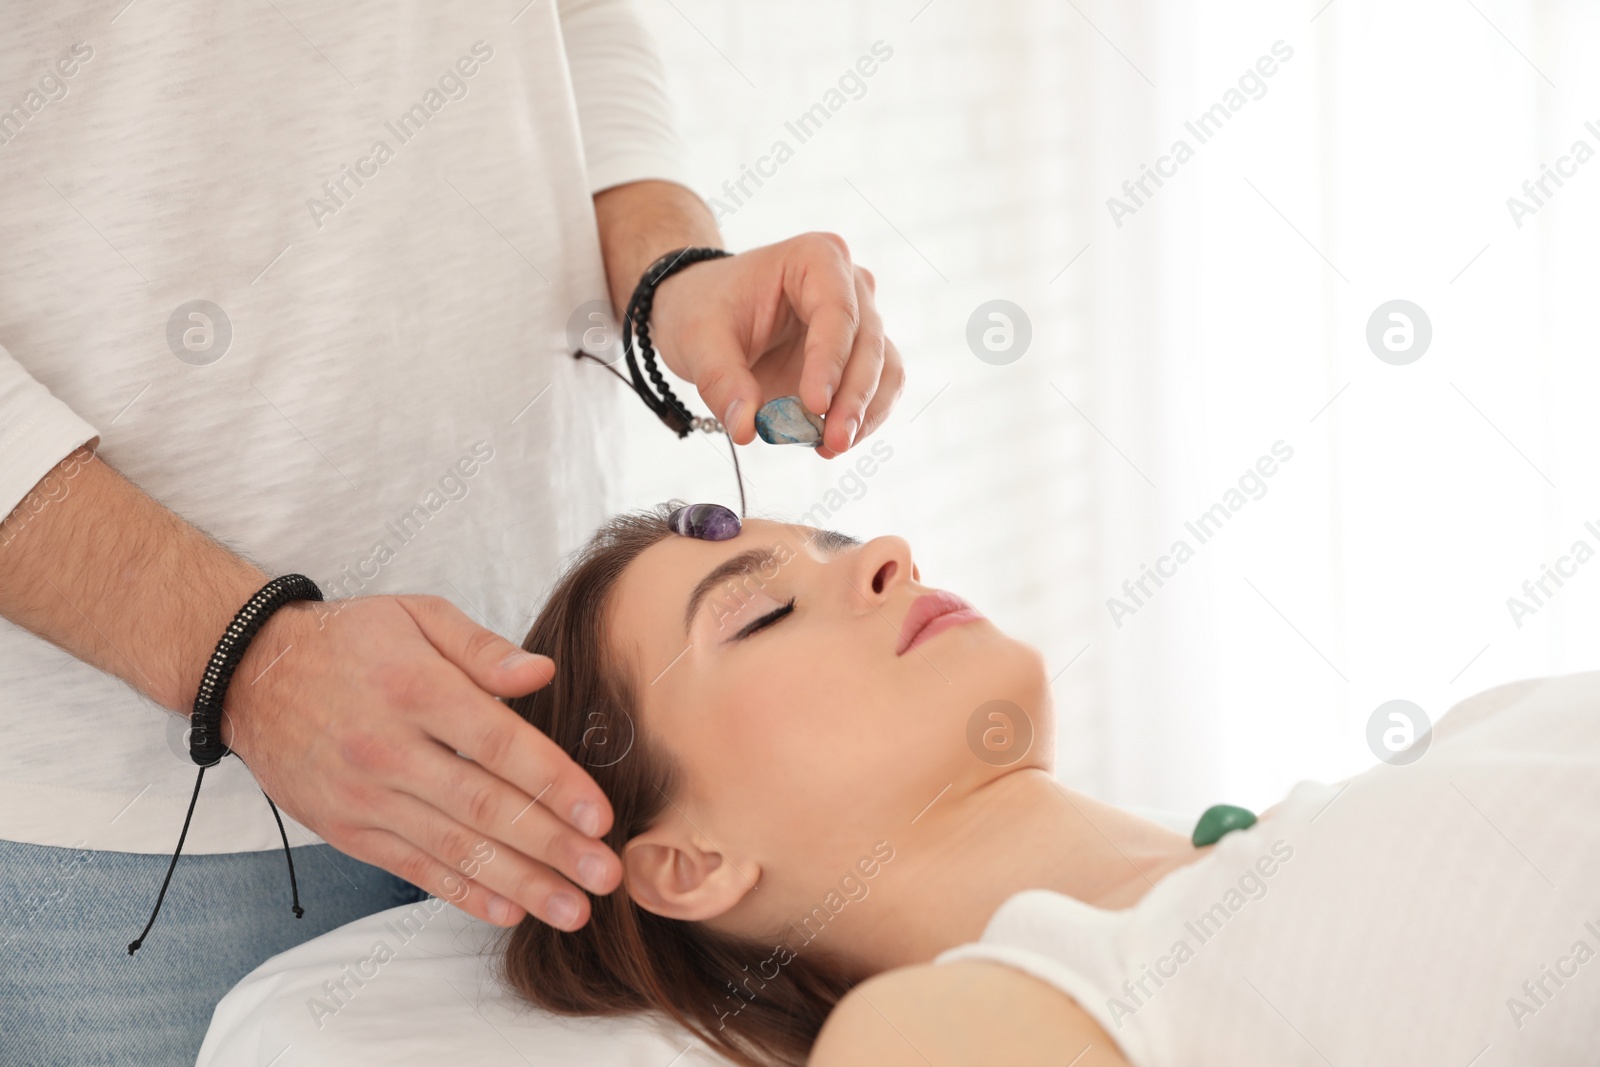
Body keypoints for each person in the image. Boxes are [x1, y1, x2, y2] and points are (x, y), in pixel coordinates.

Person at [0, 4, 902, 1064]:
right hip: (148, 816)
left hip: (548, 765)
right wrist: (243, 659)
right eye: (759, 609)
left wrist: (669, 269)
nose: (897, 562)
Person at [496, 503, 1600, 1067]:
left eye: (833, 538)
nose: (886, 550)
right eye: (760, 610)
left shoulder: (1356, 805)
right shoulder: (937, 1032)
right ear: (687, 862)